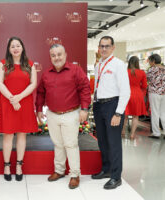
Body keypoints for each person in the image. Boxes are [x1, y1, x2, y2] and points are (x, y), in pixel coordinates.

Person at [36, 44, 91, 189]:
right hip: (52, 114)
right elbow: (41, 92)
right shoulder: (47, 73)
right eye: (53, 55)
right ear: (50, 57)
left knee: (71, 144)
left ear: (65, 55)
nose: (57, 58)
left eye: (59, 54)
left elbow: (85, 88)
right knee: (58, 144)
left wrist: (85, 109)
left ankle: (74, 174)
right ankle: (59, 171)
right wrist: (39, 108)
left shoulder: (75, 70)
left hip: (71, 114)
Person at [0, 36, 38, 181]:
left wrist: (18, 98)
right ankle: (7, 165)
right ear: (9, 49)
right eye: (12, 46)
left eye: (18, 45)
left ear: (22, 48)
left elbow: (33, 84)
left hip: (24, 104)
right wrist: (12, 99)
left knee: (21, 135)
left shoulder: (30, 64)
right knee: (8, 135)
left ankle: (19, 165)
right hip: (8, 103)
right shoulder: (3, 64)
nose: (15, 48)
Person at [91, 36, 130, 189]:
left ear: (113, 48)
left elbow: (125, 91)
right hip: (99, 106)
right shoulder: (99, 64)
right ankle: (106, 170)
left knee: (113, 142)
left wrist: (118, 113)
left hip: (113, 106)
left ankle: (116, 176)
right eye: (101, 46)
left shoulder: (119, 64)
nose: (104, 49)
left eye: (107, 46)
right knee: (102, 141)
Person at [122, 56, 147, 140]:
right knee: (135, 116)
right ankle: (132, 135)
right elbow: (144, 86)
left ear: (129, 62)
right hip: (137, 95)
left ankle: (122, 132)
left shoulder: (125, 72)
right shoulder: (142, 73)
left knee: (124, 115)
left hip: (126, 94)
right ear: (137, 63)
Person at [147, 54, 165, 139]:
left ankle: (156, 133)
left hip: (154, 93)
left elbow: (147, 79)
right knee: (163, 113)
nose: (149, 63)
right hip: (164, 93)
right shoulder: (164, 69)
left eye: (150, 61)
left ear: (153, 61)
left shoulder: (152, 69)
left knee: (155, 113)